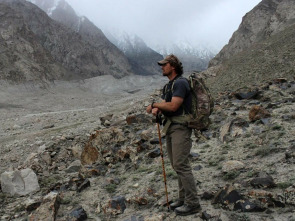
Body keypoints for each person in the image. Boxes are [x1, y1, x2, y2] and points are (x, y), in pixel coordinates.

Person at [146, 54, 201, 216]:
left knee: (181, 165)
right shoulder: (168, 86)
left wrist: (154, 105)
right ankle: (183, 198)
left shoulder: (181, 83)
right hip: (170, 127)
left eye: (165, 64)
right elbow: (164, 105)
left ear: (173, 66)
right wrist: (156, 109)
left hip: (181, 127)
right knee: (176, 165)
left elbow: (173, 105)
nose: (162, 67)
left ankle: (193, 203)